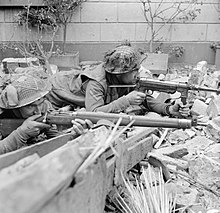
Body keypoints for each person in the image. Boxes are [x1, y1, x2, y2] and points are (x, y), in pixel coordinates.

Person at [47, 42, 190, 117]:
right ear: (119, 73)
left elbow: (147, 101)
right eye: (133, 70)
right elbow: (93, 112)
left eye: (137, 68)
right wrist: (125, 101)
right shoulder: (96, 82)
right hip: (54, 91)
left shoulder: (128, 79)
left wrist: (169, 109)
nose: (138, 72)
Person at [0, 74, 92, 155]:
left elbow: (55, 139)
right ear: (15, 108)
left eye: (41, 103)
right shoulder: (2, 115)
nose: (38, 111)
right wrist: (20, 134)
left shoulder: (45, 106)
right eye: (30, 106)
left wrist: (73, 136)